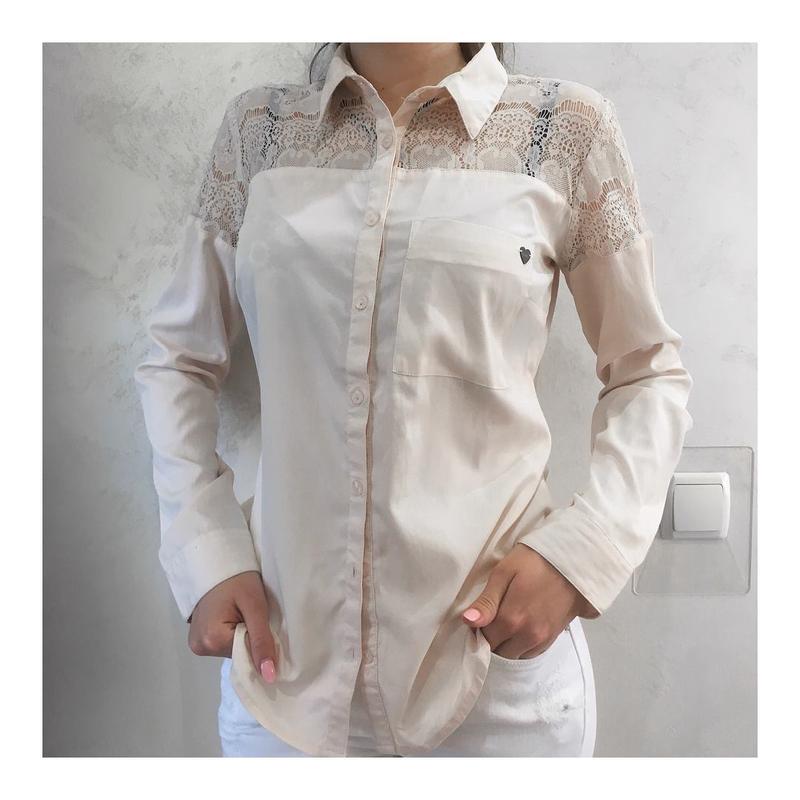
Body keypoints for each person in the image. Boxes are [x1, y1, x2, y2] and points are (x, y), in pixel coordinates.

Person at [134, 41, 693, 758]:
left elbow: (647, 369)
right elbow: (177, 359)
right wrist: (205, 551)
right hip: (285, 674)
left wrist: (580, 558)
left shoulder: (563, 128)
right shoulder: (260, 132)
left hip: (494, 673)